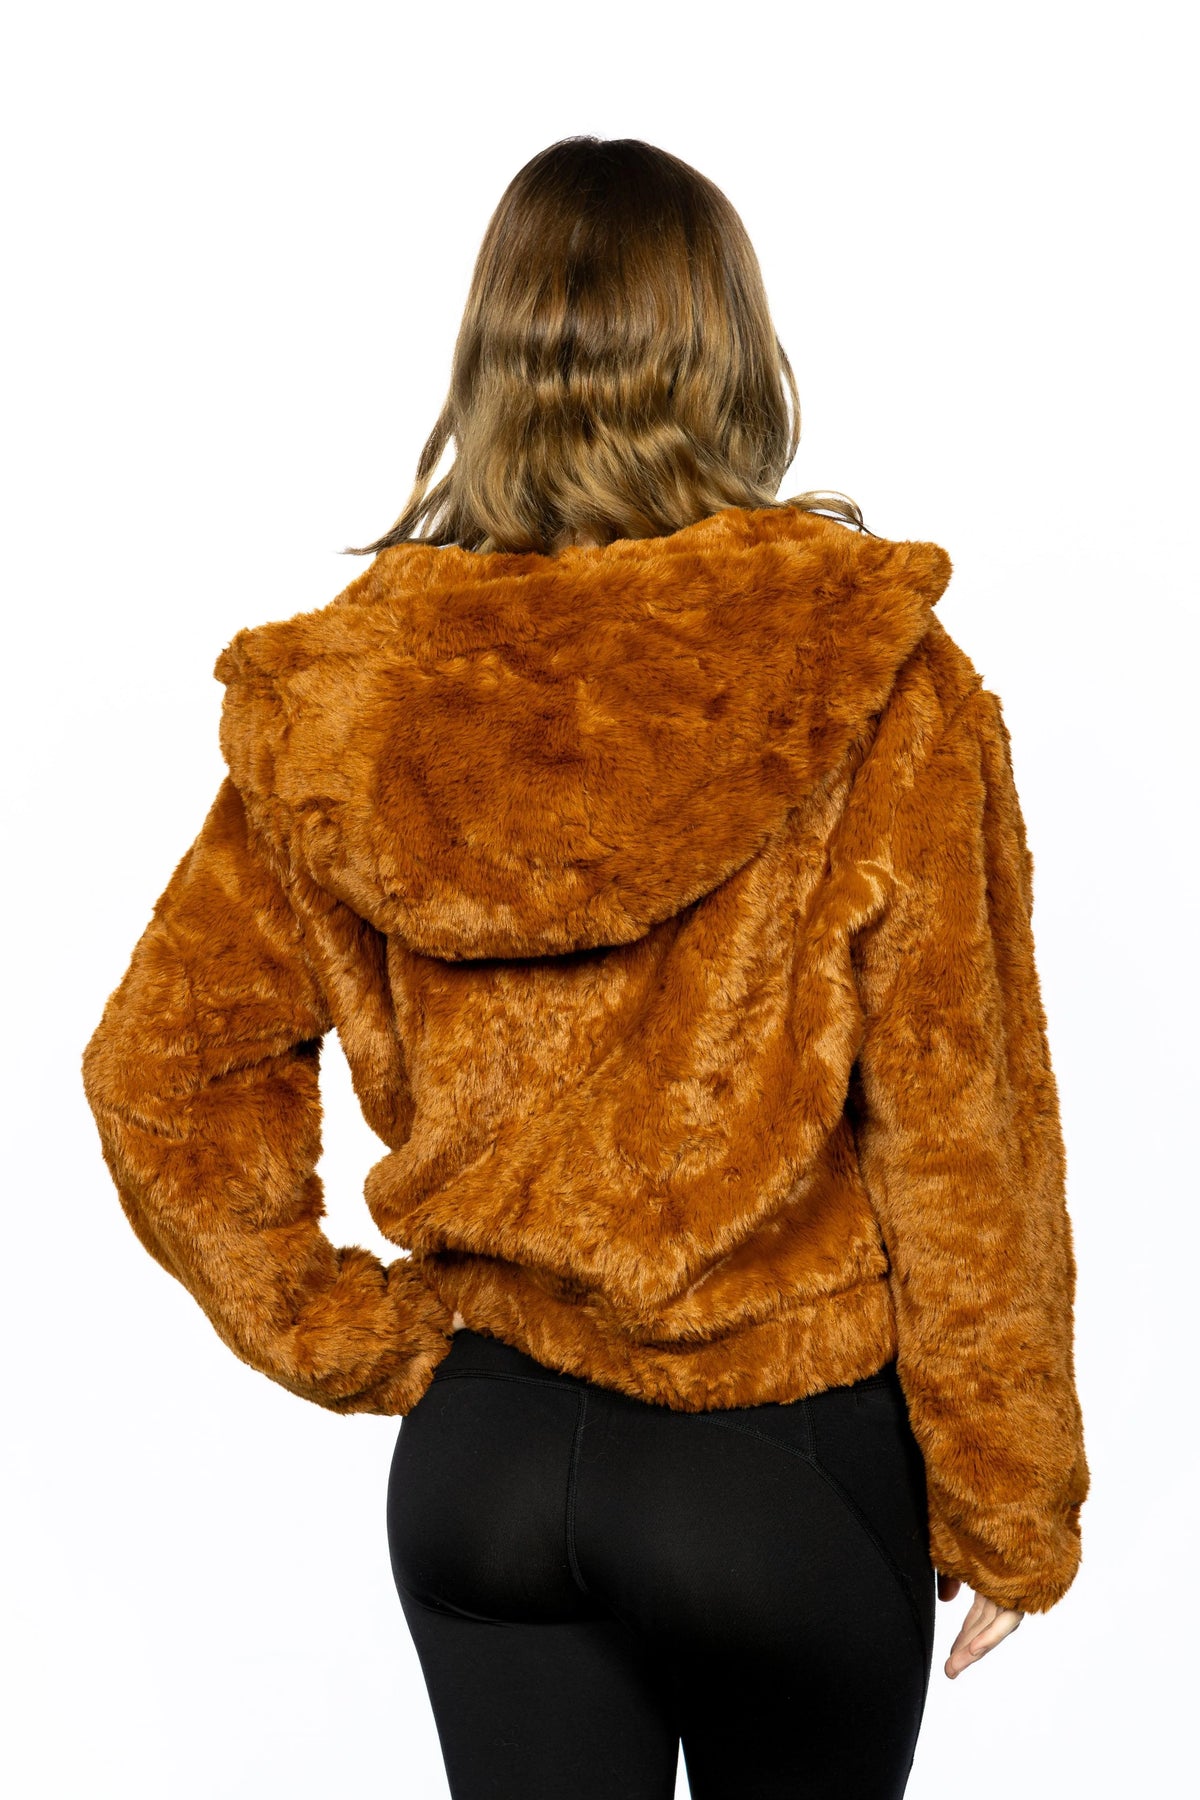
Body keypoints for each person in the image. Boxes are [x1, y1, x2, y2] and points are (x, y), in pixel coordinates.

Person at [81, 136, 1089, 1800]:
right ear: (734, 352)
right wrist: (1011, 1492)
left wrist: (366, 1340)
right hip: (780, 1470)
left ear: (489, 361)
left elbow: (161, 1071)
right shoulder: (873, 675)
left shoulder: (349, 704)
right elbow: (961, 1121)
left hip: (483, 1466)